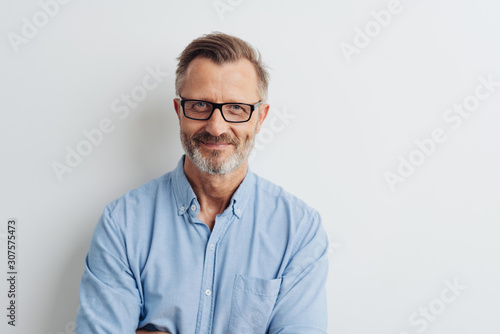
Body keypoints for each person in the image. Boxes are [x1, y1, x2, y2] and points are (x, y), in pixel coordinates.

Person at [75, 32, 329, 334]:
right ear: (179, 111)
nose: (217, 126)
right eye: (199, 105)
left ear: (260, 118)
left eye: (236, 108)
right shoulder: (123, 225)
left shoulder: (299, 231)